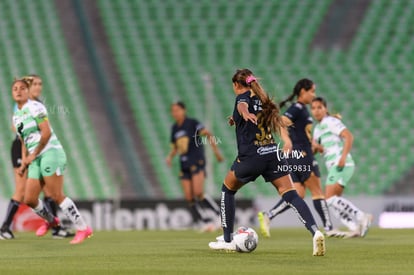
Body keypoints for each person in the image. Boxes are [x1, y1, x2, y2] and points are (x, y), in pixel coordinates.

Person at [208, 69, 325, 256]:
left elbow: (243, 106)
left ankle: (228, 240)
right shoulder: (262, 99)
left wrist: (243, 113)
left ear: (236, 85)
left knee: (227, 189)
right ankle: (315, 232)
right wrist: (237, 119)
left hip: (252, 157)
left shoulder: (242, 97)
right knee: (292, 195)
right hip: (272, 154)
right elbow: (252, 115)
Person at [10, 78, 92, 244]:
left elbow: (46, 133)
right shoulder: (16, 117)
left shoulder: (35, 107)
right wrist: (24, 162)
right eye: (15, 89)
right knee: (30, 199)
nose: (18, 91)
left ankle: (83, 228)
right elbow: (24, 141)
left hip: (50, 152)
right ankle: (52, 221)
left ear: (28, 92)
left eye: (22, 88)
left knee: (55, 194)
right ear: (12, 94)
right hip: (35, 157)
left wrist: (35, 154)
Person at [258, 78, 333, 237]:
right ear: (303, 92)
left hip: (295, 156)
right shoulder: (298, 108)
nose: (314, 94)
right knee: (317, 191)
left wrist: (315, 145)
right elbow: (280, 122)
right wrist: (287, 140)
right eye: (312, 91)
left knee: (297, 193)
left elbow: (300, 133)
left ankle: (269, 215)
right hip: (303, 156)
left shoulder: (302, 109)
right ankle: (329, 228)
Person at [0, 75, 72, 239]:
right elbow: (16, 127)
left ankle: (56, 228)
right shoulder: (23, 105)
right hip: (22, 148)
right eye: (34, 84)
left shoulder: (36, 104)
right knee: (21, 190)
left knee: (49, 190)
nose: (38, 87)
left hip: (38, 150)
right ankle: (4, 228)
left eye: (40, 84)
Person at [311, 97, 372, 237]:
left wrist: (343, 157)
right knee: (332, 201)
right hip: (333, 165)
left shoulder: (331, 122)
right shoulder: (317, 129)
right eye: (313, 108)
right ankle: (355, 227)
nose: (316, 111)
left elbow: (349, 136)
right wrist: (315, 146)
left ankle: (362, 216)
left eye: (319, 107)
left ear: (325, 108)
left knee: (329, 198)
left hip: (341, 164)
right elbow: (318, 150)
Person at [166, 101, 224, 231]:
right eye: (173, 110)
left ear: (183, 110)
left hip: (197, 161)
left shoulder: (192, 123)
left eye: (177, 110)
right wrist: (170, 157)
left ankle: (220, 215)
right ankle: (206, 221)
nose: (174, 113)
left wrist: (216, 152)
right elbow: (175, 146)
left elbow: (207, 134)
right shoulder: (175, 128)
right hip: (184, 163)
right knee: (189, 197)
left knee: (198, 192)